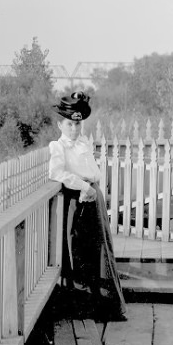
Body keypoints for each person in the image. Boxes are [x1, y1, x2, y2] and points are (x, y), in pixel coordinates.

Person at [49, 91, 127, 321]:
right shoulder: (58, 147)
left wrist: (92, 187)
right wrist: (83, 186)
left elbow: (93, 171)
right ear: (60, 124)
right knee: (79, 251)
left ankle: (104, 305)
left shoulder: (83, 142)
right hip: (78, 201)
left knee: (100, 250)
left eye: (77, 124)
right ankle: (84, 305)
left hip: (94, 199)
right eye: (69, 124)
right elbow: (57, 172)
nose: (74, 129)